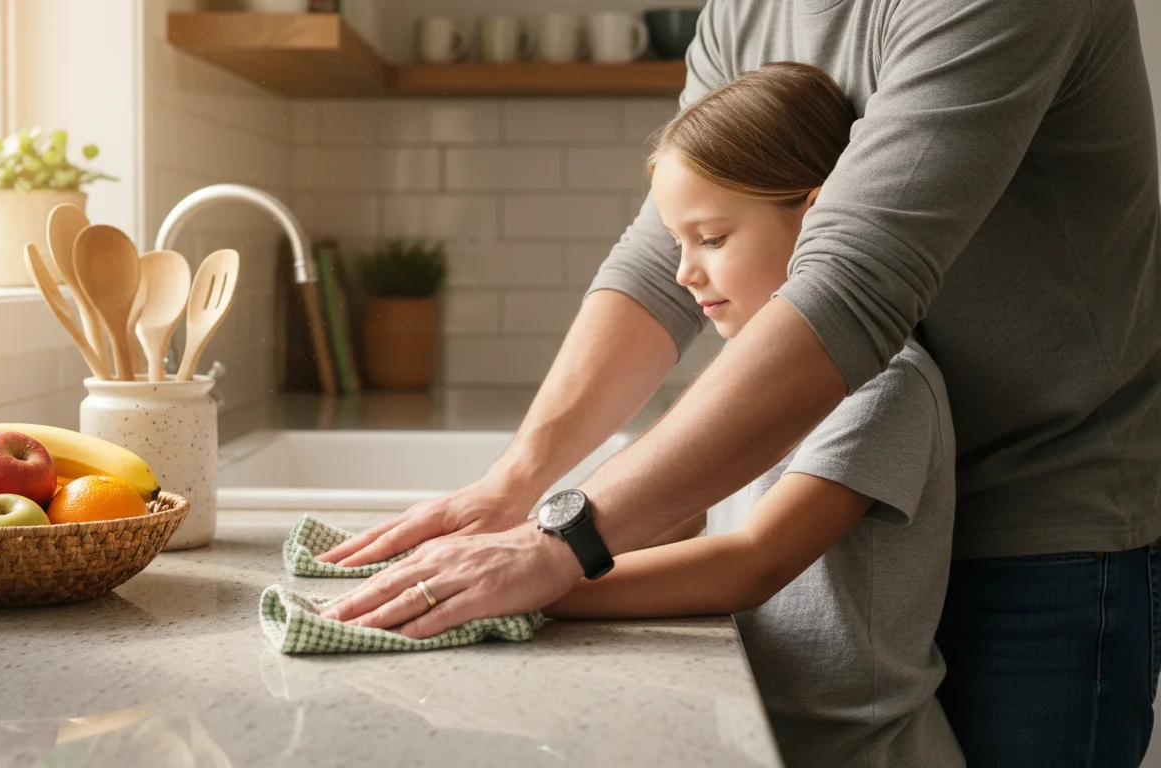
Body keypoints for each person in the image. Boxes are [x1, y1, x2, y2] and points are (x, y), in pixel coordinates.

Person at [319, 0, 1161, 764]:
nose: (697, 270)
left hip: (1045, 523)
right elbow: (660, 257)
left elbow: (853, 285)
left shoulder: (888, 389)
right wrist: (515, 488)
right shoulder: (746, 9)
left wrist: (557, 555)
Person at [542, 62, 955, 766]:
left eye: (710, 238)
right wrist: (527, 550)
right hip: (763, 738)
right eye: (678, 242)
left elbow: (752, 561)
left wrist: (546, 588)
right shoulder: (743, 378)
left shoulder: (886, 385)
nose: (683, 273)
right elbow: (679, 514)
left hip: (866, 752)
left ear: (819, 216)